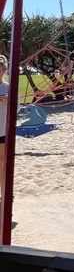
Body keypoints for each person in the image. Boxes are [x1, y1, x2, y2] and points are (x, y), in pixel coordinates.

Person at [0, 56, 9, 202]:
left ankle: (3, 194)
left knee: (2, 162)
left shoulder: (8, 87)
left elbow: (18, 108)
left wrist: (9, 101)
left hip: (2, 130)